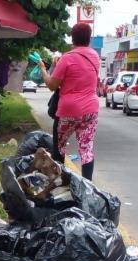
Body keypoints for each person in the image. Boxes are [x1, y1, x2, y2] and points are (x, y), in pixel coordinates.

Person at [38, 23, 101, 181]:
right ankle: (88, 186)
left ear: (72, 38)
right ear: (89, 39)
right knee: (86, 149)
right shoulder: (95, 56)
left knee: (59, 147)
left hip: (69, 110)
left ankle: (61, 183)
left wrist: (43, 70)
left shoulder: (67, 58)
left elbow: (52, 85)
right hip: (91, 110)